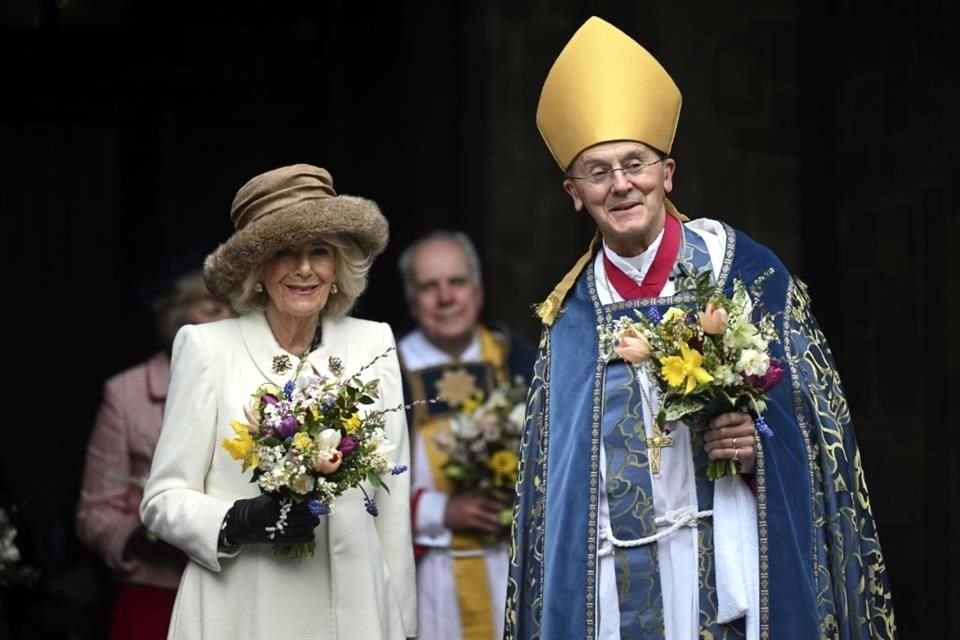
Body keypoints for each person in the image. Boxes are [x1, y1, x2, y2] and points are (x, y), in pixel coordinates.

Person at [505, 17, 896, 640]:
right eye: (597, 171)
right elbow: (550, 500)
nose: (621, 184)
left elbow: (822, 444)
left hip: (729, 567)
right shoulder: (571, 318)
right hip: (612, 587)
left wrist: (757, 444)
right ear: (573, 192)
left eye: (634, 163)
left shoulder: (746, 274)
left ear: (668, 173)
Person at [139, 164, 417, 639]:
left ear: (338, 267)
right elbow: (162, 500)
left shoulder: (374, 344)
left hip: (356, 613)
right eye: (284, 252)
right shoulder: (207, 349)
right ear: (258, 269)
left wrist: (404, 625)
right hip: (244, 610)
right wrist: (239, 521)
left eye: (320, 252)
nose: (304, 268)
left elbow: (392, 507)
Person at [76, 267, 232, 640]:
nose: (225, 320)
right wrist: (141, 537)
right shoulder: (126, 394)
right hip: (155, 594)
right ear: (175, 320)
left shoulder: (253, 386)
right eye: (211, 309)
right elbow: (94, 513)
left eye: (233, 310)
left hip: (231, 589)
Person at [396, 231, 535, 640]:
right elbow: (363, 491)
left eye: (456, 282)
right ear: (411, 300)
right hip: (430, 578)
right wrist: (441, 511)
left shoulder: (521, 359)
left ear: (477, 290)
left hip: (516, 569)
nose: (445, 297)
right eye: (428, 287)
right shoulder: (386, 373)